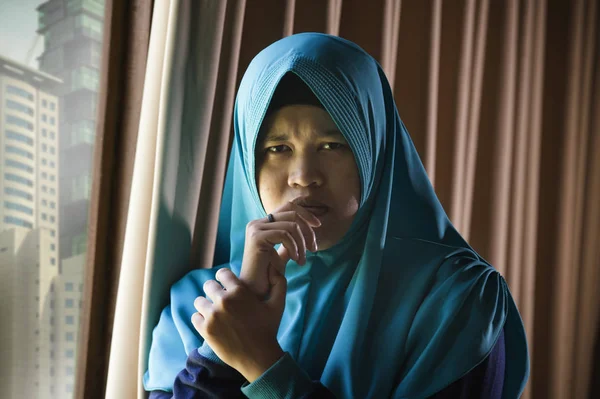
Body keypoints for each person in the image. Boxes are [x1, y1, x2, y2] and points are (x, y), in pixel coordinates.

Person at [143, 33, 529, 398]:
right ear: (248, 161)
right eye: (278, 148)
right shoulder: (197, 305)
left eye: (332, 145)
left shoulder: (456, 298)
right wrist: (216, 352)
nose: (304, 177)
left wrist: (263, 365)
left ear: (373, 152)